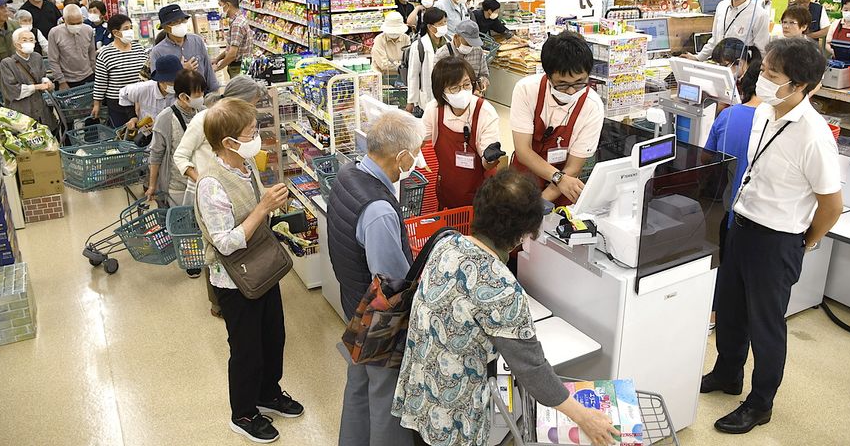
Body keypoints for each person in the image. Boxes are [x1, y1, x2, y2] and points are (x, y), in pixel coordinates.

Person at [392, 169, 620, 446]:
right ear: (521, 234)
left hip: (420, 392)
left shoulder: (446, 243)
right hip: (453, 419)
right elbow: (534, 372)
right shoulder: (503, 291)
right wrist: (585, 417)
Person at [702, 38, 843, 435]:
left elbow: (830, 205)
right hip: (742, 224)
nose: (761, 79)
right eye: (763, 71)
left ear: (799, 85)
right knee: (729, 309)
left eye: (771, 75)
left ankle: (760, 402)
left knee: (765, 325)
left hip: (778, 239)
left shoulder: (814, 136)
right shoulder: (765, 110)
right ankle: (728, 373)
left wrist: (804, 241)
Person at [193, 98, 304, 444]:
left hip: (261, 267)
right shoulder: (210, 185)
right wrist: (262, 208)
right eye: (250, 132)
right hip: (233, 280)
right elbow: (225, 242)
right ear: (227, 142)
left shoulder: (244, 165)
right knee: (246, 349)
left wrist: (272, 209)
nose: (256, 136)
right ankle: (242, 413)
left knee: (274, 336)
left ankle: (268, 393)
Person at [326, 110, 425, 446]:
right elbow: (393, 281)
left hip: (354, 304)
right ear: (401, 155)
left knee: (358, 385)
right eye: (416, 152)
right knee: (387, 400)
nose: (417, 160)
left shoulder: (348, 173)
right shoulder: (379, 210)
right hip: (378, 320)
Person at [174, 75, 267, 318]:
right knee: (218, 250)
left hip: (231, 186)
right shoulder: (204, 120)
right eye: (252, 104)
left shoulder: (244, 152)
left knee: (241, 244)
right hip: (211, 192)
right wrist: (207, 181)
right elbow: (180, 156)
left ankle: (249, 284)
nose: (254, 110)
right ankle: (220, 304)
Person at [510, 30, 604, 206]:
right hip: (521, 181)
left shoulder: (592, 106)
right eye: (562, 84)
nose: (571, 91)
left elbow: (574, 167)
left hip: (561, 188)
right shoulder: (526, 90)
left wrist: (541, 203)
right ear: (548, 75)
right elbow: (523, 151)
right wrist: (557, 177)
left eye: (579, 82)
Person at [704, 55, 762, 332]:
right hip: (757, 221)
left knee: (722, 265)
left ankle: (713, 314)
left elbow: (707, 159)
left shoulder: (728, 116)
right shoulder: (774, 126)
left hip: (725, 208)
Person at [422, 57, 501, 208]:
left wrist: (491, 158)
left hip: (481, 196)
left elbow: (488, 164)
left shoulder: (484, 111)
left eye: (466, 85)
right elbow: (418, 142)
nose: (462, 91)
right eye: (454, 88)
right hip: (447, 191)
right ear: (441, 90)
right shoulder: (434, 110)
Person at [146, 68, 207, 215]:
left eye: (202, 93)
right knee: (182, 223)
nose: (201, 97)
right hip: (177, 185)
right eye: (197, 94)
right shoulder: (166, 118)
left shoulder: (204, 112)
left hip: (203, 182)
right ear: (183, 96)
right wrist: (152, 185)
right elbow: (156, 155)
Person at [691, 0, 769, 61]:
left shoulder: (759, 14)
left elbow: (761, 51)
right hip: (720, 65)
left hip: (741, 70)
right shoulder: (722, 6)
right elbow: (715, 40)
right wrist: (698, 58)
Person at [91, 14, 147, 128]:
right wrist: (97, 104)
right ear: (116, 33)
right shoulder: (106, 53)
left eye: (131, 28)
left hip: (140, 101)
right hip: (117, 103)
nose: (130, 31)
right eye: (126, 29)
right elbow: (100, 82)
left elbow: (146, 74)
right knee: (123, 134)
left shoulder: (139, 49)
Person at [150, 4, 220, 93]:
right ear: (165, 27)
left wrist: (214, 92)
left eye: (182, 21)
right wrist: (180, 70)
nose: (180, 25)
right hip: (176, 98)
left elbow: (208, 69)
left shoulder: (197, 40)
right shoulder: (158, 51)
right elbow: (158, 84)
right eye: (175, 22)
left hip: (202, 94)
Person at [0, 28, 57, 132]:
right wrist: (37, 87)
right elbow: (12, 91)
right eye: (24, 40)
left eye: (31, 40)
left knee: (46, 135)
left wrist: (47, 82)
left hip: (40, 107)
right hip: (22, 110)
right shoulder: (7, 63)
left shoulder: (37, 57)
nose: (29, 43)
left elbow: (42, 75)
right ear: (16, 44)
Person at [118, 54, 181, 130]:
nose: (174, 84)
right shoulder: (143, 89)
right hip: (146, 134)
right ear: (160, 81)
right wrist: (132, 117)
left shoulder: (184, 91)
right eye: (171, 82)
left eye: (177, 81)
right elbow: (123, 94)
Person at [406, 7, 447, 114]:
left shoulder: (448, 43)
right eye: (440, 23)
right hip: (428, 94)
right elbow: (413, 75)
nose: (444, 26)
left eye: (445, 22)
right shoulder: (419, 46)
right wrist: (411, 101)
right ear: (430, 26)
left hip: (447, 92)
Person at [432, 19, 490, 92]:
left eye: (472, 44)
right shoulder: (442, 54)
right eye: (467, 43)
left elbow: (484, 74)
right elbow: (437, 83)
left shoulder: (478, 51)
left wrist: (482, 82)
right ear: (456, 37)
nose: (470, 47)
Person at [47, 4, 96, 90]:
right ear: (64, 20)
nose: (76, 26)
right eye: (72, 23)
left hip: (88, 76)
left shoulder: (88, 30)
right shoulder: (55, 33)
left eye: (79, 22)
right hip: (67, 79)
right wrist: (61, 81)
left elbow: (91, 54)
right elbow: (53, 60)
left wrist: (95, 74)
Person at [213, 0, 250, 77]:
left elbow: (232, 54)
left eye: (220, 5)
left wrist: (217, 68)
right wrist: (217, 59)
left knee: (238, 90)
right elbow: (230, 48)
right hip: (243, 66)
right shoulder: (240, 19)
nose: (219, 9)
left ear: (228, 5)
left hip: (238, 68)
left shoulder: (237, 24)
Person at [371, 12, 410, 78]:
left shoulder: (406, 38)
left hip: (402, 76)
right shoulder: (379, 39)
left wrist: (396, 65)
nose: (394, 33)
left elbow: (408, 60)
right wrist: (400, 65)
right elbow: (383, 64)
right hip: (382, 76)